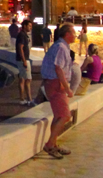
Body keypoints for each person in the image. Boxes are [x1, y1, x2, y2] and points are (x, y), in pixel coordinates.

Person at [40, 23, 75, 159]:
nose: (75, 35)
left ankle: (53, 143)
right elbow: (58, 68)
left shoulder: (61, 46)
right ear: (67, 34)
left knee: (58, 116)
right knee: (65, 116)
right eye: (73, 33)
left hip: (54, 83)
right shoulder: (61, 47)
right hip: (56, 84)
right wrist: (67, 88)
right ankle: (49, 145)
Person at [16, 19, 34, 106]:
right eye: (29, 26)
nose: (31, 28)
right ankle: (29, 99)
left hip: (22, 59)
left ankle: (23, 99)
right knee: (28, 79)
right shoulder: (22, 35)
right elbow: (20, 48)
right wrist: (24, 61)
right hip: (23, 60)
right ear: (24, 26)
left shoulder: (23, 35)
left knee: (23, 79)